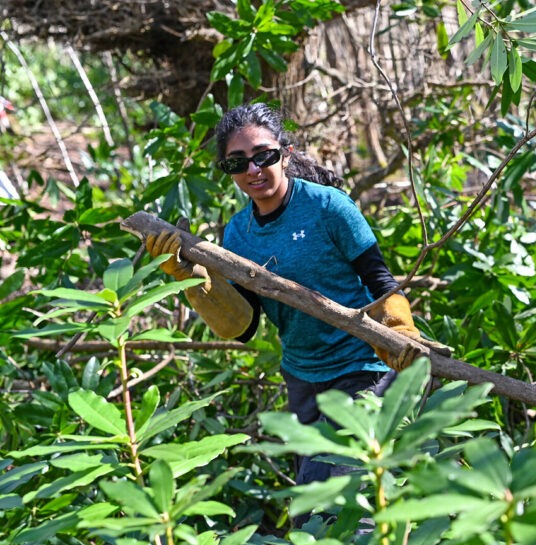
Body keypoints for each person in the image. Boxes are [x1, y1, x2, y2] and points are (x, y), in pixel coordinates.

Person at [145, 102, 441, 490]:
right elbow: (244, 324)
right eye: (237, 163)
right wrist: (191, 278)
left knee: (329, 494)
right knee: (325, 494)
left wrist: (402, 331)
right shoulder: (238, 234)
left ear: (285, 154)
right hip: (302, 378)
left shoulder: (328, 207)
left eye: (263, 156)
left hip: (360, 369)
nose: (253, 170)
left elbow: (380, 280)